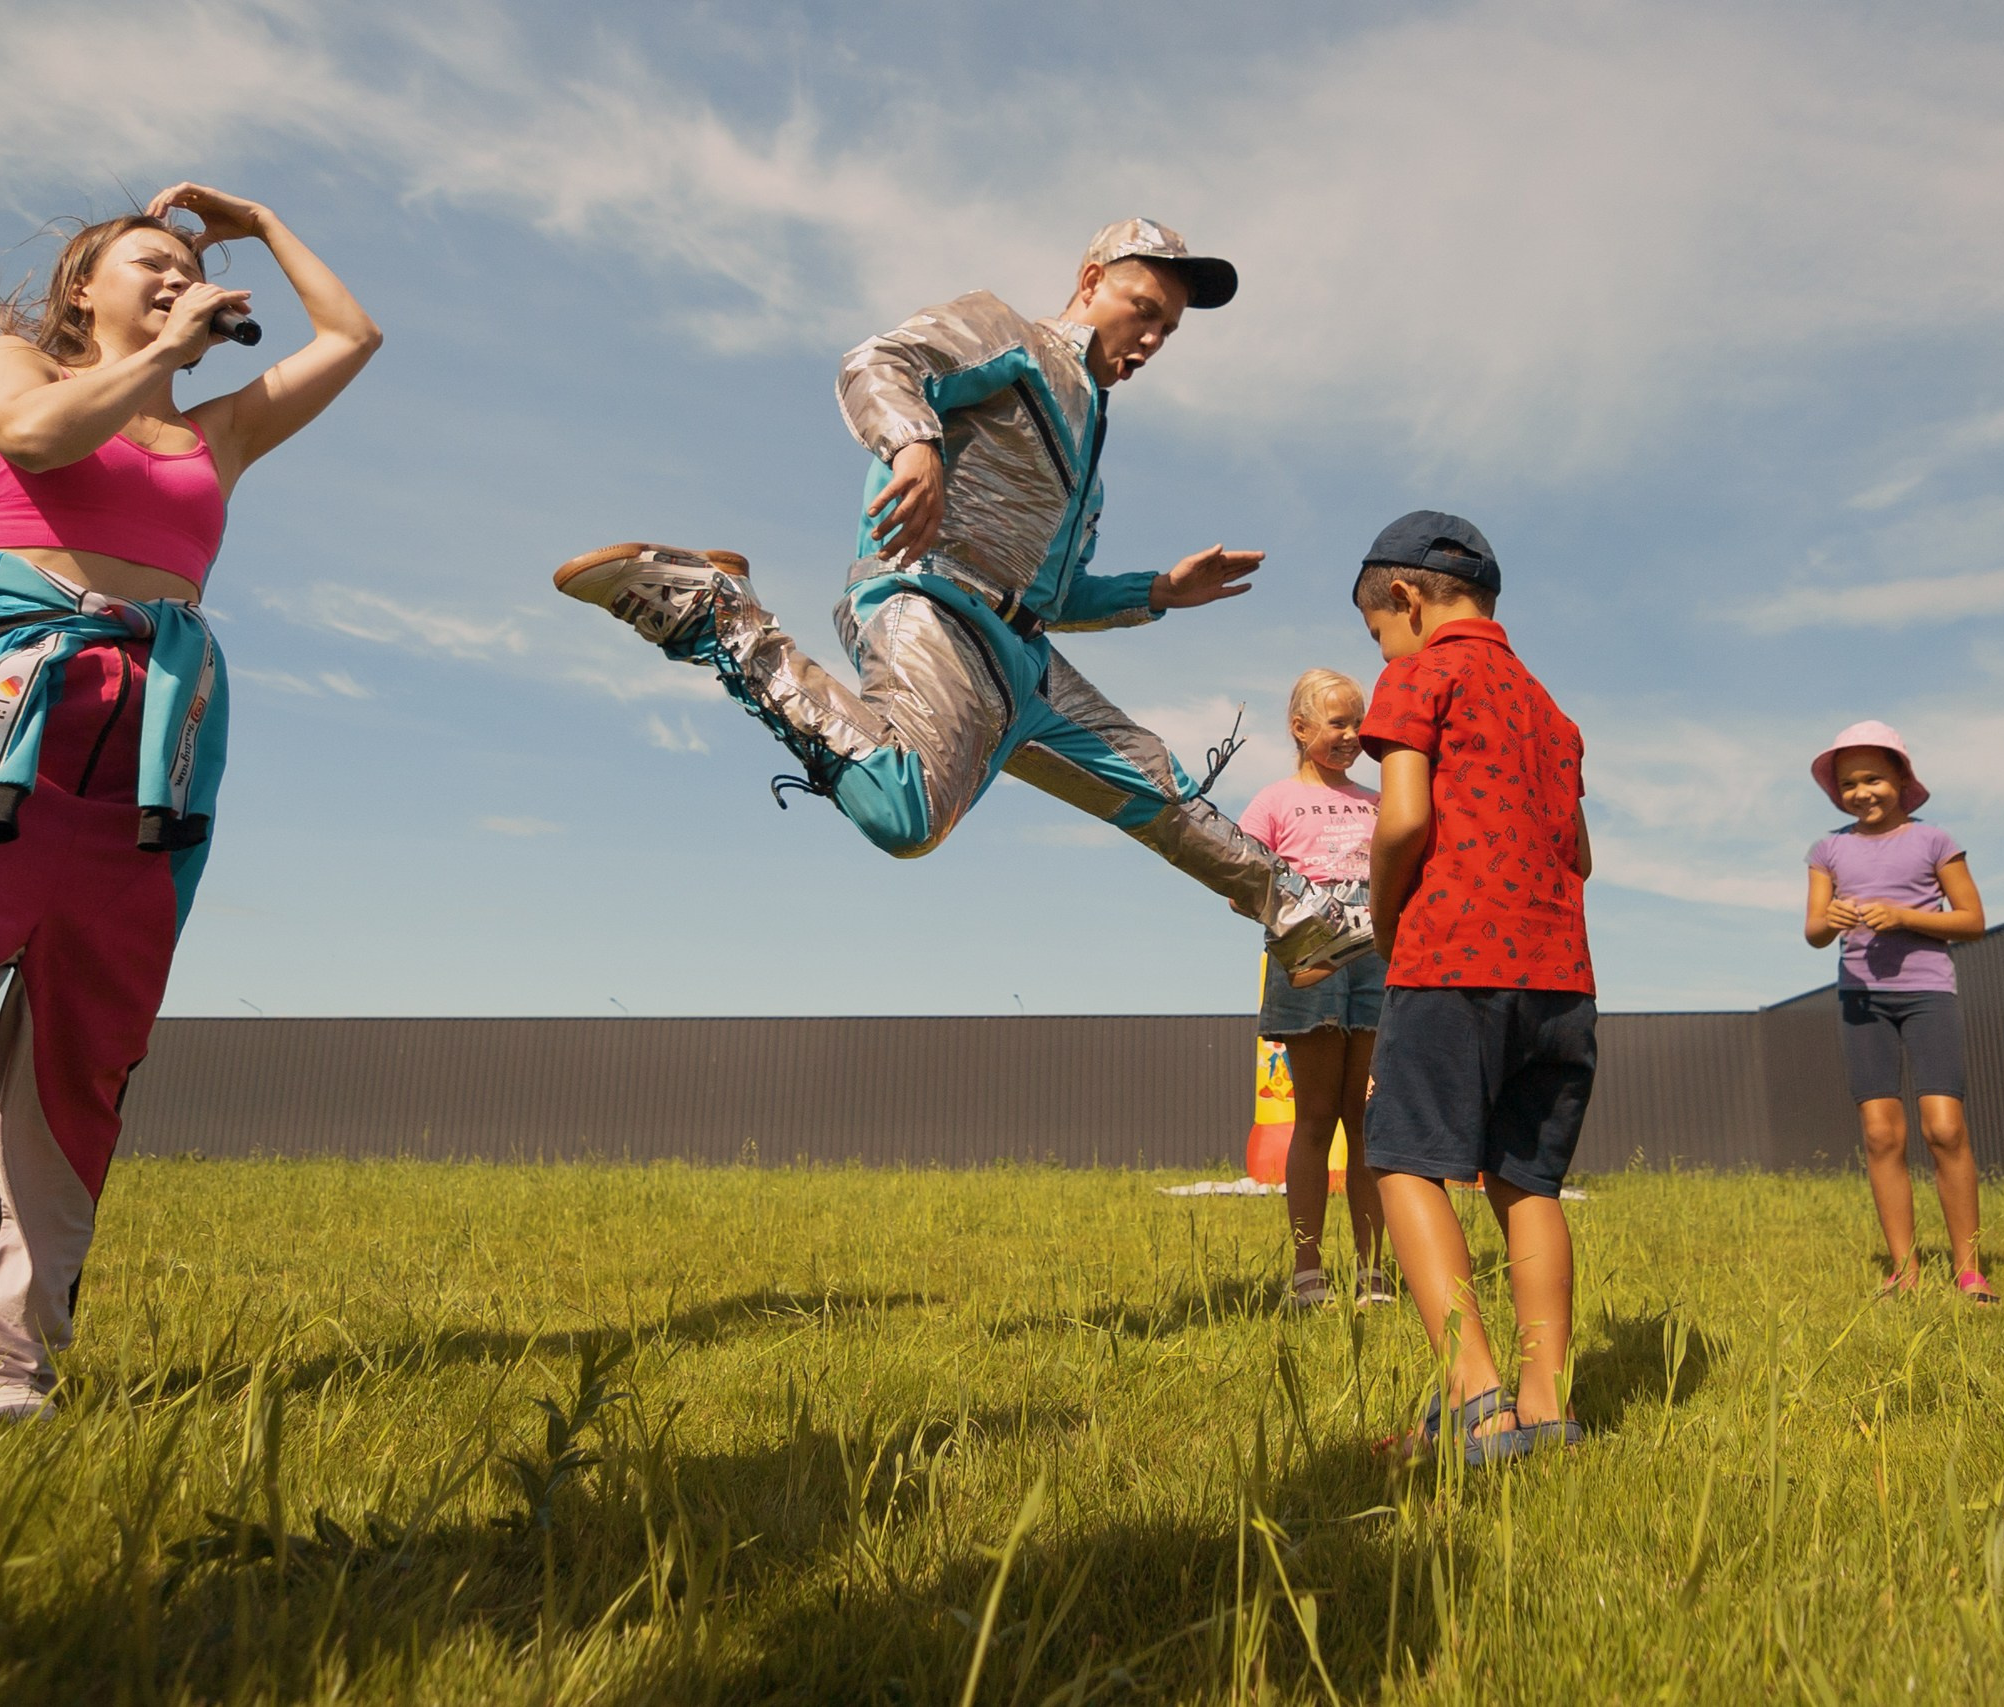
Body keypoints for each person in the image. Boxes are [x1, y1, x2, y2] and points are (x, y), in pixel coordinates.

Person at [0, 187, 380, 1418]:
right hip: (5, 714)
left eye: (187, 267)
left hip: (158, 744)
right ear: (80, 291)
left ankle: (2, 1356)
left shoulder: (219, 435)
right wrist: (160, 348)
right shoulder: (14, 368)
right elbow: (38, 440)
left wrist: (255, 222)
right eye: (148, 263)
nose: (175, 276)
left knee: (86, 1050)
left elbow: (351, 337)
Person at [547, 219, 1369, 975]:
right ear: (1090, 281)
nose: (1151, 339)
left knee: (1157, 785)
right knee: (906, 815)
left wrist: (1155, 590)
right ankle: (718, 616)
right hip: (934, 606)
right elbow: (877, 362)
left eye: (1168, 330)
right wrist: (913, 443)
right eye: (1142, 309)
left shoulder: (1090, 450)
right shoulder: (1010, 335)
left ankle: (1302, 912)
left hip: (1025, 662)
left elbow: (1053, 593)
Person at [1353, 511, 1594, 1465]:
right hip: (1561, 977)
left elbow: (1404, 819)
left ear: (1404, 599)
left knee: (1402, 1157)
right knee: (1526, 1180)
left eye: (1378, 628)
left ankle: (1475, 1401)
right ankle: (1547, 1407)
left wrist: (1383, 916)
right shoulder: (1549, 708)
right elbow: (1580, 850)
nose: (1381, 646)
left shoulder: (1419, 674)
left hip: (1452, 957)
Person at [1801, 723, 1994, 1302]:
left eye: (1874, 778)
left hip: (1927, 995)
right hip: (1861, 1001)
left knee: (1944, 1128)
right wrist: (1828, 920)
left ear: (1902, 780)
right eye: (1850, 783)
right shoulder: (1827, 850)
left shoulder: (1935, 841)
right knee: (1882, 1136)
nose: (1863, 791)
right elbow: (1813, 931)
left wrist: (1904, 916)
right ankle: (1904, 1271)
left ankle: (1968, 1268)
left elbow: (1973, 920)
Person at [1240, 668, 1389, 1309]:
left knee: (1368, 1120)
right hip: (1309, 963)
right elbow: (1241, 883)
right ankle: (1308, 1272)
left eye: (1359, 722)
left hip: (1377, 961)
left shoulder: (1381, 800)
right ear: (1299, 729)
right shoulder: (1273, 801)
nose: (1352, 735)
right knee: (1316, 1116)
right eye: (1338, 723)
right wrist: (1302, 921)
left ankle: (1374, 1272)